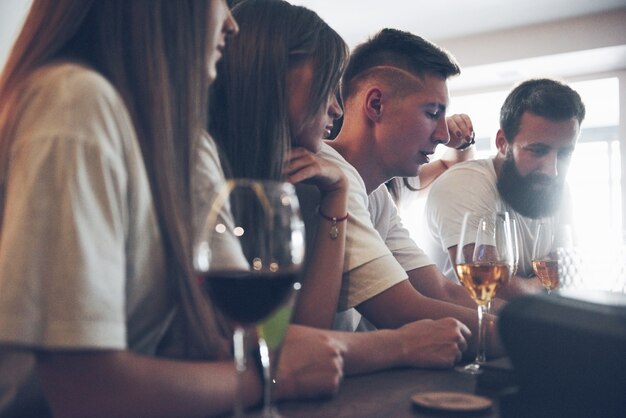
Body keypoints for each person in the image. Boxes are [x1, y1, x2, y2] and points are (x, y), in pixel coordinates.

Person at [0, 1, 466, 416]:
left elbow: (260, 334)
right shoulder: (75, 102)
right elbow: (86, 392)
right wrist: (272, 377)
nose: (230, 24)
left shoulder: (188, 145)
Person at [210, 0, 469, 365]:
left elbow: (293, 336)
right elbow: (273, 350)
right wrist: (402, 346)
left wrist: (337, 197)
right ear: (274, 73)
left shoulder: (293, 175)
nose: (335, 108)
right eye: (326, 87)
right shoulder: (207, 160)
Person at [320, 28, 505, 357]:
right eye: (432, 113)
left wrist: (542, 320)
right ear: (376, 105)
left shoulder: (376, 194)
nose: (443, 133)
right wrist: (538, 339)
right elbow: (403, 309)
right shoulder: (332, 175)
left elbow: (441, 291)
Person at [424, 78, 586, 298]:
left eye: (564, 153)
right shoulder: (466, 183)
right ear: (502, 142)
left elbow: (568, 271)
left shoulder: (558, 188)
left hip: (529, 326)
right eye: (537, 150)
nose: (552, 170)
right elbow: (489, 286)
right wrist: (544, 285)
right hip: (463, 329)